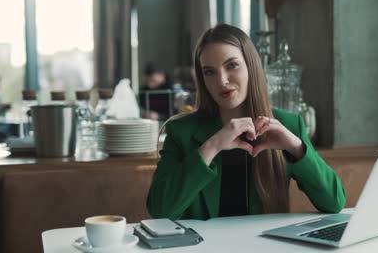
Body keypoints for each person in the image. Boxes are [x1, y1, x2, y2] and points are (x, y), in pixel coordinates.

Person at [146, 24, 346, 220]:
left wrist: (295, 147)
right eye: (209, 72)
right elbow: (160, 211)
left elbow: (334, 203)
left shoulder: (289, 124)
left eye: (232, 65)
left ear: (251, 66)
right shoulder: (181, 132)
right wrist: (211, 147)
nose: (222, 80)